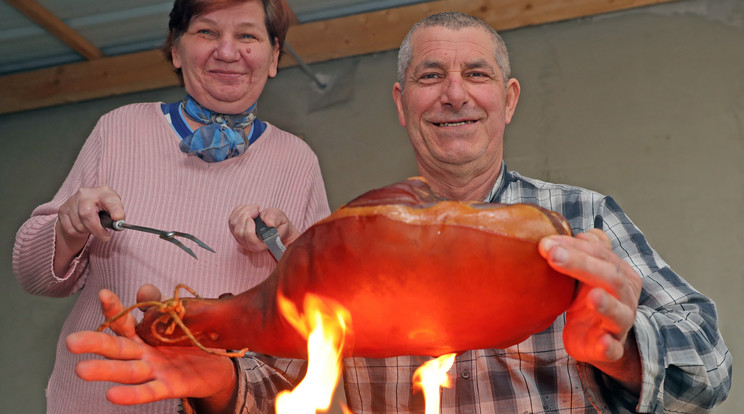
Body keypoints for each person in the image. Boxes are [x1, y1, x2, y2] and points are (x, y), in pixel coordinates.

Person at [65, 11, 733, 414]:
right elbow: (285, 383)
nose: (453, 96)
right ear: (400, 101)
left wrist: (624, 350)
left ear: (508, 98)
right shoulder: (347, 237)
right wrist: (217, 385)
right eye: (428, 77)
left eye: (475, 75)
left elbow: (712, 366)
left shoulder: (584, 216)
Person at [13, 0, 330, 413]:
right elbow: (36, 277)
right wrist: (68, 226)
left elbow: (324, 309)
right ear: (176, 50)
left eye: (247, 36)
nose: (228, 51)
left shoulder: (297, 160)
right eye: (207, 32)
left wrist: (285, 245)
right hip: (101, 399)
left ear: (274, 57)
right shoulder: (119, 129)